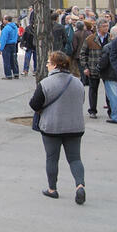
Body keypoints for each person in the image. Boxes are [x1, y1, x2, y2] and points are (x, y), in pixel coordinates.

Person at [29, 51, 86, 205]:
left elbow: (34, 104)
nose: (47, 65)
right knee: (75, 158)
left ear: (54, 65)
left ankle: (52, 189)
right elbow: (81, 100)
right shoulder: (77, 82)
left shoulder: (46, 83)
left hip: (52, 126)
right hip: (75, 126)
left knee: (52, 158)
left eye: (48, 62)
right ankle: (80, 185)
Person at [79, 18, 109, 119]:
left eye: (107, 26)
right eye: (104, 26)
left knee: (109, 90)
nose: (106, 28)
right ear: (98, 27)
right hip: (93, 68)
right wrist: (85, 67)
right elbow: (83, 54)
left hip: (107, 68)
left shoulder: (110, 38)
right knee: (93, 89)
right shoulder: (90, 39)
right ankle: (92, 110)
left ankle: (111, 109)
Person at [99, 26, 117, 124]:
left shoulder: (108, 47)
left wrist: (98, 68)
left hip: (110, 74)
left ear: (112, 35)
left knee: (113, 97)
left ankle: (116, 116)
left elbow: (104, 62)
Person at [0, 15, 20, 80]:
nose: (3, 21)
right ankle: (16, 73)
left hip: (7, 45)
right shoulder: (15, 27)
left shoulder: (6, 28)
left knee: (6, 61)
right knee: (13, 60)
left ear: (6, 20)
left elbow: (3, 39)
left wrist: (1, 48)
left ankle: (8, 75)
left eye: (4, 19)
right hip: (13, 44)